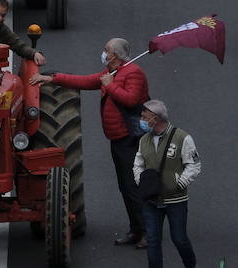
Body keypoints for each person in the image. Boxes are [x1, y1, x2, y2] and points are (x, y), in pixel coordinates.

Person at [29, 38, 149, 247]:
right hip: (117, 138)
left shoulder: (133, 73)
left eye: (107, 50)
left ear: (116, 56)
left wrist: (110, 87)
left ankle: (147, 232)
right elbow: (84, 81)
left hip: (130, 139)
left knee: (132, 186)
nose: (103, 53)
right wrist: (53, 79)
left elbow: (131, 100)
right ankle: (135, 230)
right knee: (125, 186)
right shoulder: (111, 73)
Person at [132, 99, 200, 268]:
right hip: (151, 201)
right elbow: (137, 165)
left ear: (155, 118)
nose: (141, 118)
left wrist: (179, 183)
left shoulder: (182, 138)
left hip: (175, 201)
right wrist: (142, 182)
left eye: (144, 115)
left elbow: (194, 165)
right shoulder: (143, 140)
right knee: (153, 241)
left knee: (179, 239)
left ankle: (191, 265)